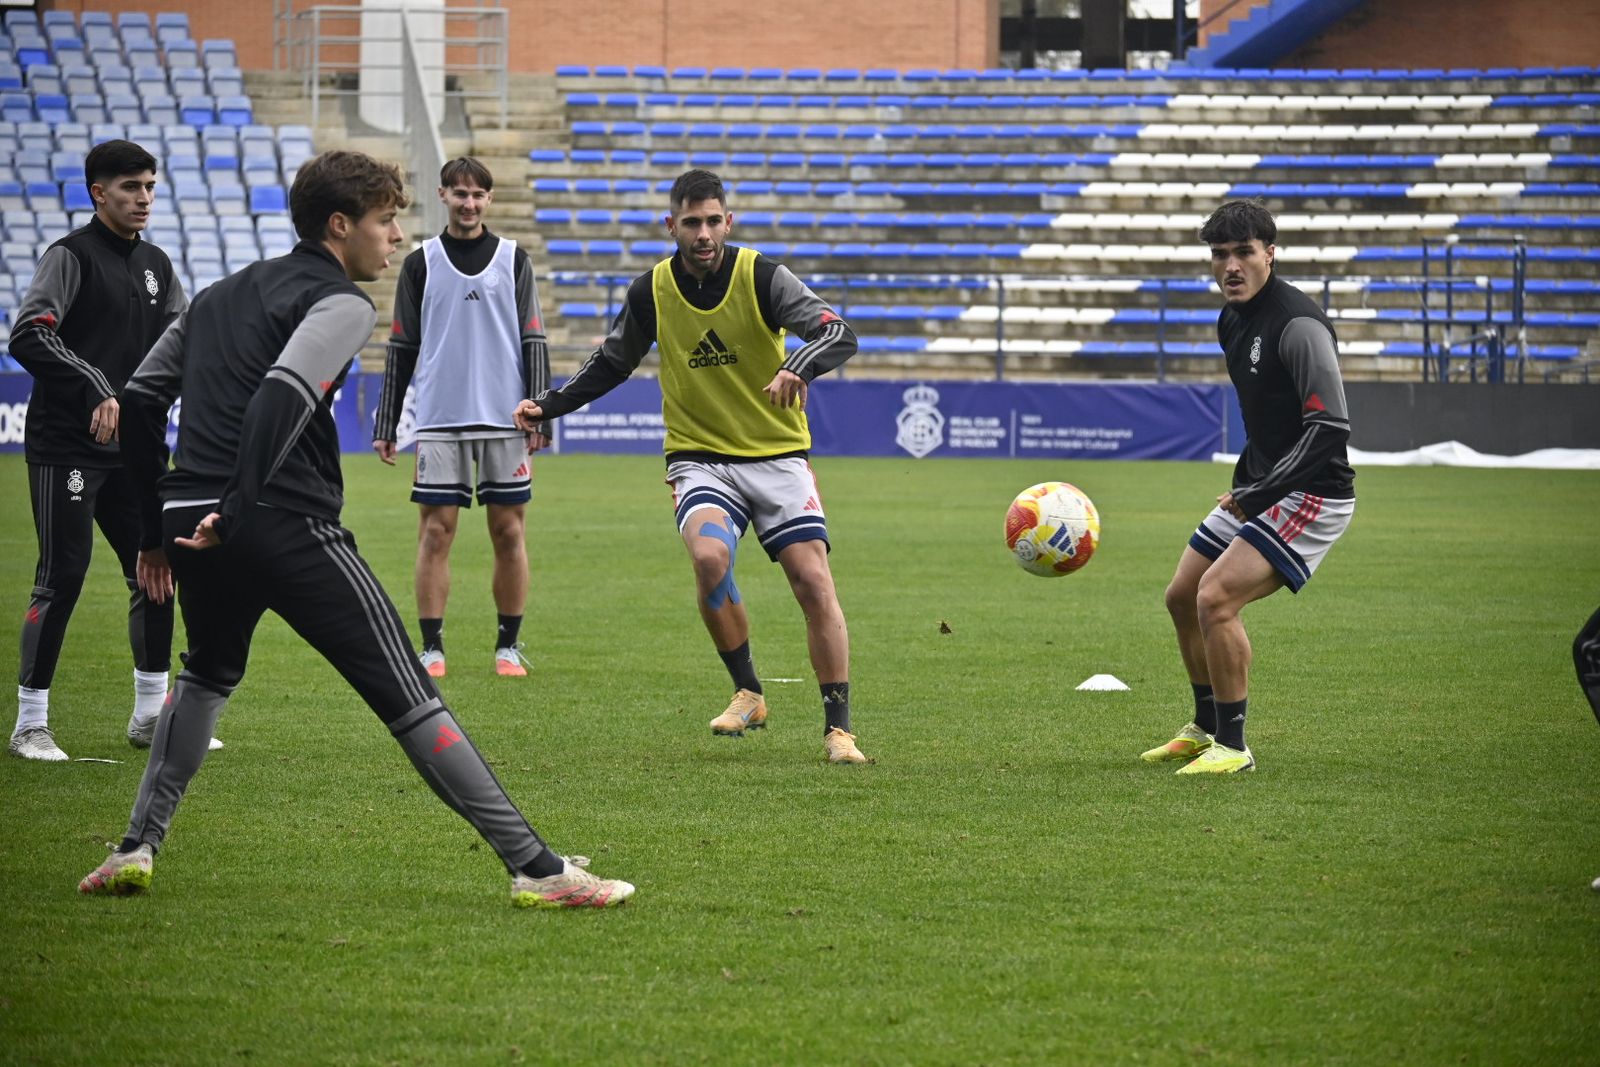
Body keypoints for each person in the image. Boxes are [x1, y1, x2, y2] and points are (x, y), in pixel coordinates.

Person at [78, 150, 633, 909]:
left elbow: (139, 402)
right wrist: (238, 512)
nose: (398, 235)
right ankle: (536, 866)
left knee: (205, 675)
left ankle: (135, 847)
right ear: (340, 227)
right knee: (409, 692)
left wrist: (152, 531)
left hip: (188, 522)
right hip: (277, 520)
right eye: (385, 220)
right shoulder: (341, 303)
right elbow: (279, 399)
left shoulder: (214, 296)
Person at [512, 169, 869, 764]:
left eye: (712, 221)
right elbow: (611, 362)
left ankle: (838, 728)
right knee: (709, 559)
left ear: (728, 221)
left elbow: (839, 333)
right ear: (670, 225)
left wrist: (797, 367)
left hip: (778, 456)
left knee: (812, 581)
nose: (702, 233)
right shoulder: (651, 290)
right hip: (700, 458)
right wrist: (547, 404)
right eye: (690, 222)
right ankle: (749, 691)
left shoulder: (762, 276)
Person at [6, 139, 220, 761]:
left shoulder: (156, 262)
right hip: (67, 446)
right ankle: (30, 724)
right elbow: (29, 334)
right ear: (99, 193)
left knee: (155, 569)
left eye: (150, 187)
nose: (144, 198)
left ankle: (152, 716)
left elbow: (186, 341)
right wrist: (101, 389)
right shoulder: (69, 256)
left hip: (134, 453)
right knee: (63, 576)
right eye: (131, 188)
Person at [1141, 199, 1356, 774]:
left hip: (1314, 493)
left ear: (1270, 254)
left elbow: (1331, 430)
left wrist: (1262, 492)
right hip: (1262, 483)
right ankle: (1204, 726)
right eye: (1219, 255)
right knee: (1181, 595)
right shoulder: (1230, 318)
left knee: (1216, 599)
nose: (1230, 266)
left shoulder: (1299, 326)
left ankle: (1233, 748)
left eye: (1243, 252)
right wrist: (1256, 484)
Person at [372, 157, 550, 680]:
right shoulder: (420, 262)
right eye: (459, 193)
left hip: (506, 419)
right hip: (441, 418)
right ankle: (431, 649)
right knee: (435, 532)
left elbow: (532, 337)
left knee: (509, 532)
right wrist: (387, 424)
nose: (469, 203)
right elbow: (401, 344)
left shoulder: (514, 259)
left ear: (489, 200)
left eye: (478, 195)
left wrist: (539, 412)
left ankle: (508, 647)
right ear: (443, 195)